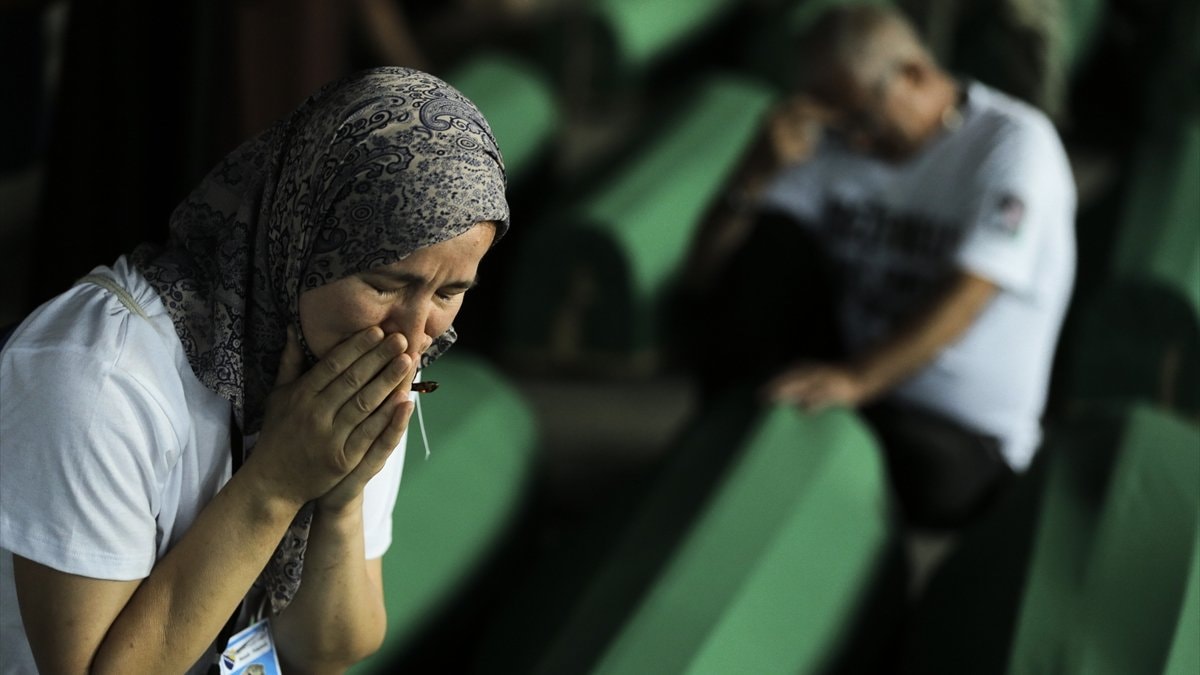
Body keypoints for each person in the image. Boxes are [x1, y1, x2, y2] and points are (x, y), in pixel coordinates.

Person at [0, 67, 509, 673]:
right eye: (383, 283)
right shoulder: (97, 379)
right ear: (303, 240)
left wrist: (341, 502)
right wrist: (278, 483)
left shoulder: (359, 356)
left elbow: (330, 648)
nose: (413, 332)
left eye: (450, 292)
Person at [677, 4, 1076, 533]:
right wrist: (754, 171)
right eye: (838, 123)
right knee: (765, 247)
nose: (855, 140)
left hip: (957, 430)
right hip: (857, 386)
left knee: (911, 472)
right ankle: (728, 436)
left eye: (863, 118)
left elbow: (969, 294)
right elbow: (703, 275)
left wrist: (857, 380)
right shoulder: (838, 138)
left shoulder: (1014, 142)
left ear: (914, 74)